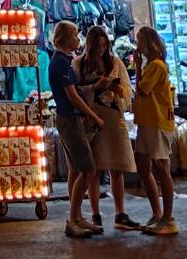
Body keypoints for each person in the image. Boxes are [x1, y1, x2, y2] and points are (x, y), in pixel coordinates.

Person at [76, 27, 141, 230]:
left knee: (117, 167)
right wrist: (95, 87)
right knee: (94, 169)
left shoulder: (115, 62)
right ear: (90, 45)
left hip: (113, 117)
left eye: (104, 45)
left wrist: (116, 89)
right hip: (93, 119)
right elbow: (75, 92)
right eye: (98, 45)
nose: (102, 49)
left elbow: (127, 90)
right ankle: (95, 214)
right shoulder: (79, 64)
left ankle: (120, 213)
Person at [48, 20, 104, 238]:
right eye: (74, 35)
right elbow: (72, 96)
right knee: (86, 169)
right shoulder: (61, 63)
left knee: (82, 168)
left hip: (71, 119)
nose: (77, 39)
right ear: (64, 39)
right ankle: (73, 219)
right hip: (69, 120)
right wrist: (94, 116)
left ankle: (78, 216)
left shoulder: (64, 61)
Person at [133, 26, 178, 235]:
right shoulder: (153, 65)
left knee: (161, 169)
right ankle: (157, 214)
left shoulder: (156, 66)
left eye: (140, 41)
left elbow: (142, 89)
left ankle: (168, 219)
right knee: (143, 166)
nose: (137, 45)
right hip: (147, 122)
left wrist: (137, 66)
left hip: (157, 123)